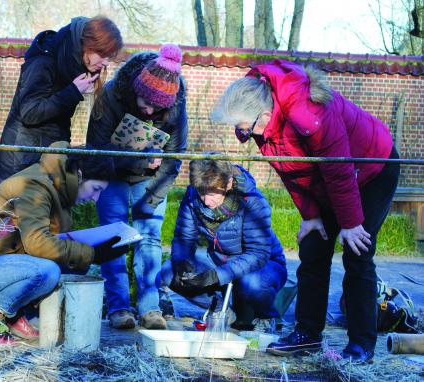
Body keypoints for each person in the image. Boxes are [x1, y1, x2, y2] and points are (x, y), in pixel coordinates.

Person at [212, 59, 400, 362]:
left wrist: (351, 223)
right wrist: (310, 216)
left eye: (244, 129)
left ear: (263, 115)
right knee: (312, 248)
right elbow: (292, 172)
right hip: (330, 178)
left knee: (357, 251)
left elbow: (339, 170)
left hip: (372, 167)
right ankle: (307, 335)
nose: (242, 135)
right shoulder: (263, 127)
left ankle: (361, 345)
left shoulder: (309, 113)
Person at [0, 142, 128, 344]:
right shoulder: (36, 185)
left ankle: (14, 314)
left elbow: (54, 244)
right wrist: (92, 253)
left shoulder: (60, 189)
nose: (95, 198)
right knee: (47, 271)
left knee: (74, 266)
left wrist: (90, 252)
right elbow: (36, 243)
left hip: (3, 263)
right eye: (95, 189)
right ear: (80, 175)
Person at [86, 44, 188, 330]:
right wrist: (141, 158)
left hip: (151, 180)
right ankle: (118, 307)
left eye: (158, 107)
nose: (149, 109)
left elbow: (173, 157)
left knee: (150, 238)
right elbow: (97, 153)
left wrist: (153, 197)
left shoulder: (176, 106)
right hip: (112, 175)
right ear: (135, 87)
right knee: (114, 237)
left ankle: (149, 307)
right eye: (146, 101)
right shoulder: (111, 96)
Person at [0, 16, 123, 186]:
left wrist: (65, 155)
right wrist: (72, 92)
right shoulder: (44, 61)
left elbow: (59, 122)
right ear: (87, 44)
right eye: (102, 55)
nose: (105, 63)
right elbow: (29, 113)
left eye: (109, 57)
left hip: (46, 161)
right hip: (21, 163)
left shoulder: (72, 66)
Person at [161, 158, 287, 329]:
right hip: (220, 262)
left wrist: (216, 276)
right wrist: (183, 264)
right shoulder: (193, 197)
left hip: (262, 266)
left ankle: (265, 316)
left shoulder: (253, 202)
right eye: (201, 193)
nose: (206, 201)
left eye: (212, 194)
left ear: (228, 184)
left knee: (252, 285)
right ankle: (222, 309)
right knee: (169, 272)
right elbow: (184, 238)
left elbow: (258, 254)